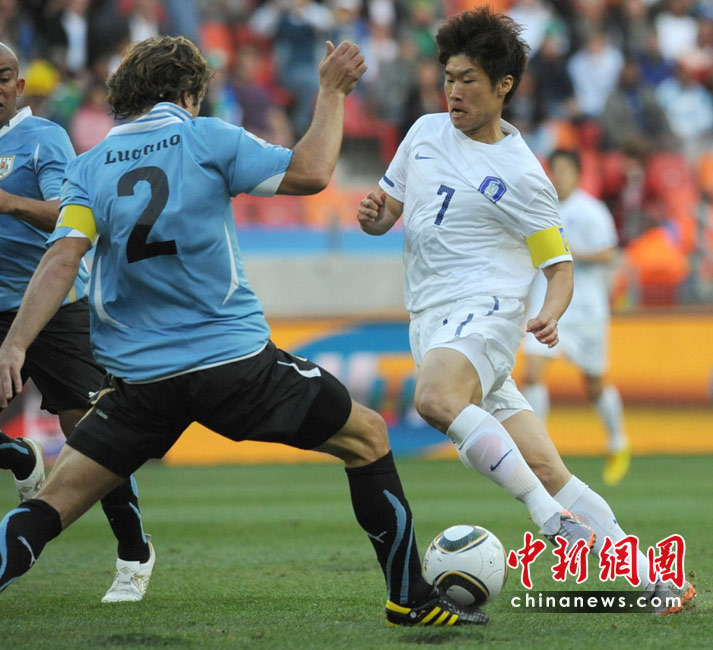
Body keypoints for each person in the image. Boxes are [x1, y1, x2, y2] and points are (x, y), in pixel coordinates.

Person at [0, 34, 487, 627]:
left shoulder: (89, 166)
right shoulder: (207, 138)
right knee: (367, 437)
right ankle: (409, 598)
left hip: (141, 383)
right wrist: (332, 92)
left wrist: (16, 343)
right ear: (188, 93)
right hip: (233, 366)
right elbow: (312, 172)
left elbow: (61, 259)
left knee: (51, 505)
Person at [356, 8, 694, 614]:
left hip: (485, 313)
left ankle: (549, 519)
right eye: (449, 78)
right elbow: (389, 212)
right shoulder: (424, 133)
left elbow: (558, 267)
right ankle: (658, 581)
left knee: (434, 399)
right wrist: (375, 216)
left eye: (469, 80)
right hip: (430, 318)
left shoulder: (523, 176)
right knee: (547, 467)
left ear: (503, 85)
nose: (454, 91)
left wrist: (552, 313)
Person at [0, 41, 155, 603]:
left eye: (3, 77)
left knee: (91, 438)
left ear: (19, 86)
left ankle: (134, 552)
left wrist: (7, 202)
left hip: (54, 307)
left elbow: (67, 215)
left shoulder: (42, 138)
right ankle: (18, 455)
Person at [521, 149, 630, 486]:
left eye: (565, 170)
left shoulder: (591, 211)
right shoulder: (540, 209)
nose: (559, 177)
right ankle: (538, 454)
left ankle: (618, 443)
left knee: (594, 383)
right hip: (548, 305)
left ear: (578, 175)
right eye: (555, 170)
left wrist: (569, 255)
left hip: (586, 310)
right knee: (532, 372)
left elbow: (610, 253)